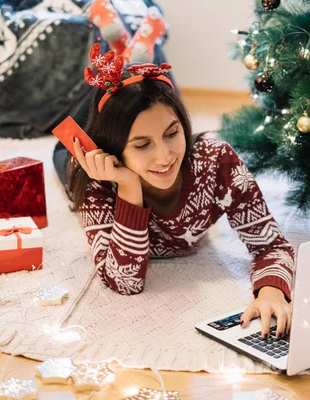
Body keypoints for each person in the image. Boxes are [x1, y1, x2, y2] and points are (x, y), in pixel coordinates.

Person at [54, 44, 295, 339]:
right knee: (64, 151)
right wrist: (128, 186)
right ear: (115, 151)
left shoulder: (216, 160)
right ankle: (123, 51)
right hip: (77, 162)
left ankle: (136, 51)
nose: (165, 157)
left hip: (138, 132)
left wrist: (271, 291)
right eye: (142, 145)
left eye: (172, 133)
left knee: (136, 87)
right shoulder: (98, 181)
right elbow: (124, 281)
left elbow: (271, 245)